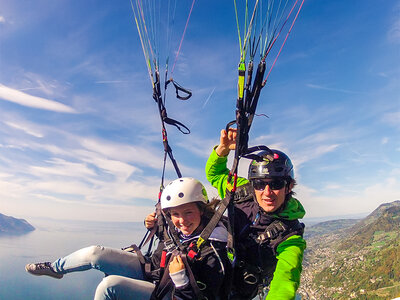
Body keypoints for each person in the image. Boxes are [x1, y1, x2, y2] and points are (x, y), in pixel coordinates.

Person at [26, 177, 230, 300]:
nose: (182, 220)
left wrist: (180, 279)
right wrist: (149, 224)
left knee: (109, 286)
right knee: (95, 253)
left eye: (188, 212)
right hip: (153, 272)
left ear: (202, 211)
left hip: (169, 293)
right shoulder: (178, 228)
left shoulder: (213, 252)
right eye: (175, 214)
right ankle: (55, 268)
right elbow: (168, 235)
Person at [205, 128, 306, 300]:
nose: (267, 192)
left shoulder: (290, 235)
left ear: (289, 187)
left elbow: (285, 280)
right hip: (215, 273)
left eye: (276, 184)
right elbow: (214, 174)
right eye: (259, 183)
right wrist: (222, 150)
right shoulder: (241, 192)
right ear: (253, 184)